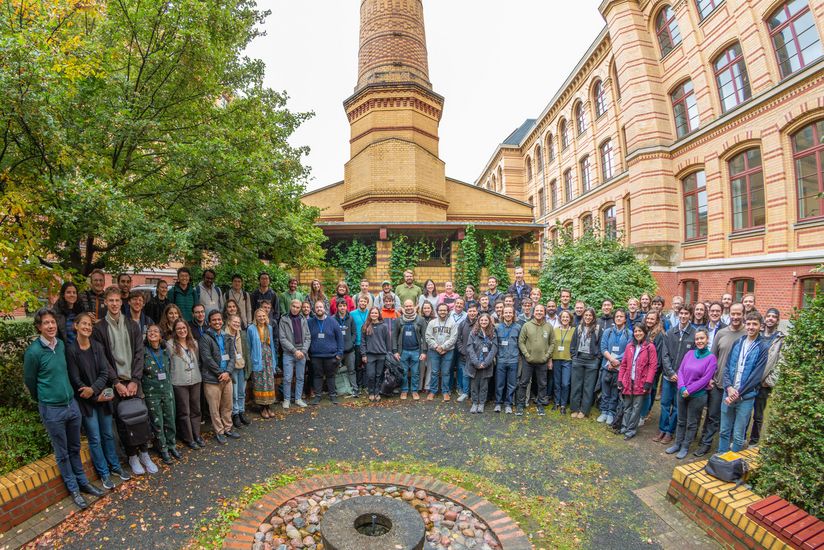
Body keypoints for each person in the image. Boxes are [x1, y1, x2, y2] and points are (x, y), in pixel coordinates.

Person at [25, 308, 104, 508]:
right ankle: (74, 490)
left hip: (72, 406)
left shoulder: (61, 345)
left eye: (52, 322)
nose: (50, 326)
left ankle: (83, 482)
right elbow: (31, 382)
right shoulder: (33, 352)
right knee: (62, 452)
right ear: (38, 327)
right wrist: (45, 398)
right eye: (46, 323)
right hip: (52, 410)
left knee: (75, 447)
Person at [92, 286, 157, 475]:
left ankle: (144, 453)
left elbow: (139, 353)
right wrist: (116, 382)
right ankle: (132, 456)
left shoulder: (132, 325)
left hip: (134, 380)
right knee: (123, 421)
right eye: (110, 300)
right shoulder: (99, 328)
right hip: (117, 382)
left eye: (117, 300)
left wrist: (135, 379)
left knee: (140, 418)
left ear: (122, 302)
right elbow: (102, 358)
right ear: (105, 302)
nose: (114, 304)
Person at [66, 312, 124, 490]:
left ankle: (115, 467)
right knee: (95, 438)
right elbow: (75, 378)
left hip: (103, 399)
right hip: (87, 403)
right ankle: (104, 473)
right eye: (83, 324)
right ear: (75, 326)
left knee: (108, 435)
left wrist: (95, 390)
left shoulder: (98, 346)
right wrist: (91, 394)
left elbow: (104, 372)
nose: (87, 327)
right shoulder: (71, 350)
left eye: (90, 325)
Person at [695, 303, 746, 456]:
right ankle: (706, 444)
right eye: (733, 313)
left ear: (743, 314)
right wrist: (710, 378)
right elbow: (712, 358)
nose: (735, 317)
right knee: (712, 415)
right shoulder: (721, 333)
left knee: (735, 417)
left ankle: (729, 447)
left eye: (739, 314)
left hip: (738, 386)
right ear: (728, 314)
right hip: (719, 383)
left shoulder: (747, 333)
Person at [718, 313, 768, 453]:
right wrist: (728, 387)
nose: (751, 327)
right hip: (728, 393)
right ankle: (721, 458)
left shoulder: (762, 348)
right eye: (749, 323)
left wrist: (737, 393)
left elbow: (756, 376)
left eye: (755, 324)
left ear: (760, 326)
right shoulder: (738, 342)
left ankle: (732, 465)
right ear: (745, 324)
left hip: (746, 398)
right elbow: (727, 367)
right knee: (724, 431)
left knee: (738, 435)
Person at [664, 327, 717, 459]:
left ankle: (685, 447)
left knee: (691, 423)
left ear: (707, 339)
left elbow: (706, 379)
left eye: (702, 338)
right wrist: (682, 388)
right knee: (681, 420)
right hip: (682, 392)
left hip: (698, 396)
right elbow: (680, 371)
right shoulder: (689, 354)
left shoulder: (711, 358)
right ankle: (677, 444)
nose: (699, 341)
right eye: (697, 338)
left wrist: (690, 390)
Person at [655, 305, 696, 445]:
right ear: (678, 315)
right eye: (681, 313)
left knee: (677, 407)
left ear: (690, 315)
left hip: (683, 380)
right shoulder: (670, 332)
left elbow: (693, 359)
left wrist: (681, 376)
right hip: (668, 376)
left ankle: (670, 432)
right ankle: (662, 429)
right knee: (665, 404)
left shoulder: (694, 334)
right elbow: (664, 355)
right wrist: (671, 372)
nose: (683, 316)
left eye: (686, 313)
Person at [200, 309, 240, 444]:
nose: (217, 322)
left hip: (227, 377)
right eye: (214, 320)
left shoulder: (226, 336)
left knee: (227, 405)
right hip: (212, 379)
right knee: (214, 408)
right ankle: (219, 431)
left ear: (222, 321)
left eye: (219, 319)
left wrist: (228, 372)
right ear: (209, 322)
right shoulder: (205, 338)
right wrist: (220, 373)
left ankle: (228, 428)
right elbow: (207, 359)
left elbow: (232, 357)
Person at [142, 325, 178, 465]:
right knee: (157, 422)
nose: (152, 333)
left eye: (155, 331)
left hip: (166, 389)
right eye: (150, 331)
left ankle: (171, 445)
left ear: (160, 335)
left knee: (170, 418)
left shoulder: (165, 351)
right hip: (152, 392)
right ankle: (162, 449)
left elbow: (169, 368)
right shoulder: (143, 351)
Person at [749, 308, 783, 446]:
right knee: (745, 411)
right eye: (768, 316)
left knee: (758, 414)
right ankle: (740, 438)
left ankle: (754, 440)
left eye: (773, 317)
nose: (770, 319)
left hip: (763, 383)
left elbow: (781, 363)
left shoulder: (780, 339)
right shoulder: (758, 335)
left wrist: (769, 381)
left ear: (777, 320)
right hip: (750, 381)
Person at [167, 319, 204, 450]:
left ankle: (197, 435)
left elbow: (198, 360)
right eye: (178, 329)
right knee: (184, 411)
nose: (182, 331)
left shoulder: (194, 343)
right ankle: (189, 438)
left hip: (195, 379)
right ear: (175, 331)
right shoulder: (170, 344)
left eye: (184, 328)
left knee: (196, 409)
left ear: (187, 329)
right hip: (179, 381)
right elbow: (169, 364)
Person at [618, 323, 658, 440]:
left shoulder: (650, 347)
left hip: (641, 382)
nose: (638, 333)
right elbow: (624, 364)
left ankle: (631, 429)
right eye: (635, 331)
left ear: (645, 332)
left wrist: (648, 382)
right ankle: (625, 426)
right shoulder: (629, 346)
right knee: (627, 406)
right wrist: (620, 379)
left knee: (636, 408)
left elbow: (653, 366)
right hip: (628, 380)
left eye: (640, 331)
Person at [516, 304, 554, 416]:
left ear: (544, 312)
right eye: (537, 310)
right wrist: (527, 355)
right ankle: (520, 405)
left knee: (542, 384)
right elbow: (521, 342)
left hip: (542, 361)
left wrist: (547, 356)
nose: (539, 312)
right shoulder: (527, 325)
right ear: (533, 312)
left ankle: (540, 405)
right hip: (528, 360)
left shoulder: (549, 326)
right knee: (523, 383)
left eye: (541, 311)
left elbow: (552, 343)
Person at [598, 309, 631, 425]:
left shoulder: (629, 334)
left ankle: (611, 413)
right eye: (617, 316)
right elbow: (603, 348)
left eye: (621, 316)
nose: (619, 318)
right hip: (607, 365)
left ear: (625, 319)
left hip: (620, 368)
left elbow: (628, 351)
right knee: (605, 390)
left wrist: (618, 361)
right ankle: (604, 411)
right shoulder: (608, 332)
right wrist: (611, 360)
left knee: (614, 392)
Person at [307, 300, 343, 405]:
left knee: (330, 376)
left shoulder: (333, 321)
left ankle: (333, 395)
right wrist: (308, 353)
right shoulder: (310, 322)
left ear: (324, 308)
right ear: (314, 309)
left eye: (321, 307)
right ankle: (318, 396)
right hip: (315, 355)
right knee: (317, 376)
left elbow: (340, 338)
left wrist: (339, 353)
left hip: (330, 355)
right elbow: (306, 338)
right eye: (317, 307)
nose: (319, 309)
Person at [569, 307, 602, 418]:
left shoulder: (597, 329)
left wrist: (597, 358)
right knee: (576, 385)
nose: (588, 317)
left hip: (591, 361)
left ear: (593, 317)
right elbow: (573, 344)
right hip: (578, 359)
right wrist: (573, 356)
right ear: (583, 316)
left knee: (588, 387)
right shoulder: (578, 328)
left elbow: (601, 345)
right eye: (586, 315)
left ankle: (584, 410)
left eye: (590, 315)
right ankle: (574, 408)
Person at [279, 299, 310, 408]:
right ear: (290, 306)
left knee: (300, 377)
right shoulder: (284, 319)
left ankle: (298, 399)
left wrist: (303, 351)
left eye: (298, 307)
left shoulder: (303, 320)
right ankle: (286, 399)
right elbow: (282, 338)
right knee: (287, 378)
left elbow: (308, 337)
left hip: (302, 353)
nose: (295, 309)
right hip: (289, 353)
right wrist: (294, 350)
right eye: (294, 306)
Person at [246, 309, 277, 418]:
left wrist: (274, 361)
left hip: (268, 358)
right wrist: (249, 362)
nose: (262, 318)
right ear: (255, 317)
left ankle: (268, 406)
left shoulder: (269, 328)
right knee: (260, 383)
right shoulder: (250, 329)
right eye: (259, 316)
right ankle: (262, 408)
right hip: (257, 359)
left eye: (263, 316)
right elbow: (248, 346)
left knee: (269, 383)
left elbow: (272, 344)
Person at [394, 299, 428, 400]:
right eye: (406, 306)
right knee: (404, 372)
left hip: (416, 351)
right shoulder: (399, 320)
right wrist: (395, 351)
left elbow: (425, 336)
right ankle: (404, 390)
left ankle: (414, 391)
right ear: (404, 308)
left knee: (415, 372)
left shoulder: (420, 320)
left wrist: (424, 352)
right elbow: (394, 337)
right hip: (403, 351)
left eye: (410, 306)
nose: (408, 308)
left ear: (414, 307)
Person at [425, 303, 458, 401]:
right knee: (434, 371)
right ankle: (433, 391)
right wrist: (436, 347)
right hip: (434, 351)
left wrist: (443, 347)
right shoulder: (432, 322)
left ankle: (445, 391)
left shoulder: (452, 323)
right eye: (440, 310)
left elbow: (454, 338)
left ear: (448, 311)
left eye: (444, 310)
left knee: (446, 372)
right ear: (437, 311)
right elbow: (428, 336)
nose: (442, 312)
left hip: (448, 351)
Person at [467, 313, 498, 413]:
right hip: (474, 364)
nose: (484, 322)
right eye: (482, 320)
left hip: (487, 364)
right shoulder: (473, 333)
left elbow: (494, 349)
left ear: (489, 322)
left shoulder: (492, 333)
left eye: (486, 320)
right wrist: (476, 362)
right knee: (474, 385)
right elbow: (469, 348)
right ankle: (475, 403)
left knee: (484, 385)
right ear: (478, 321)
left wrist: (486, 363)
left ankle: (481, 403)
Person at [639, 311, 667, 423]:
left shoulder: (660, 335)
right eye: (648, 318)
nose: (649, 321)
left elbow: (659, 355)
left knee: (650, 390)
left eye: (652, 319)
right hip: (642, 368)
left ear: (657, 320)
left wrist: (654, 371)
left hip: (653, 369)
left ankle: (646, 413)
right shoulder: (645, 331)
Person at [225, 314, 252, 426]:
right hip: (232, 368)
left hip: (242, 366)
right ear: (229, 322)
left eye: (238, 322)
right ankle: (235, 413)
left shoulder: (242, 334)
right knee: (234, 393)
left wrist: (248, 367)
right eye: (234, 322)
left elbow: (247, 351)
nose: (236, 324)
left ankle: (241, 411)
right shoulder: (225, 336)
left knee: (241, 392)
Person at [360, 307, 390, 402]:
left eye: (376, 313)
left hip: (381, 354)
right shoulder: (365, 326)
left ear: (378, 314)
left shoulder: (384, 326)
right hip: (370, 355)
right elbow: (363, 342)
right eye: (372, 313)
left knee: (379, 375)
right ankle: (371, 392)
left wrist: (388, 354)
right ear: (370, 314)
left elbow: (387, 341)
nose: (374, 314)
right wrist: (363, 354)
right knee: (370, 375)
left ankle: (377, 392)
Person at [494, 305, 521, 414]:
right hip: (501, 359)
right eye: (506, 313)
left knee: (511, 384)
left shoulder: (518, 327)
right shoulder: (497, 327)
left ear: (513, 314)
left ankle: (508, 404)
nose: (508, 315)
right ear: (502, 314)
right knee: (500, 383)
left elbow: (520, 343)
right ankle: (498, 403)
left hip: (513, 360)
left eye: (510, 313)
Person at [333, 299, 357, 397]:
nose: (342, 308)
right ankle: (335, 391)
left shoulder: (351, 318)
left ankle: (355, 389)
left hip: (349, 350)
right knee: (334, 371)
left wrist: (351, 343)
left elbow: (354, 333)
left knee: (351, 370)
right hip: (337, 351)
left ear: (346, 307)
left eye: (344, 306)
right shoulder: (333, 319)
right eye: (340, 306)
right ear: (337, 307)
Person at [455, 303, 479, 401]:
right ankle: (465, 393)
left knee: (476, 375)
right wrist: (461, 349)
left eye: (474, 311)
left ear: (477, 312)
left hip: (477, 355)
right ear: (467, 312)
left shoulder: (481, 323)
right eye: (470, 311)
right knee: (465, 374)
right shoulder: (462, 324)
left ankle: (474, 393)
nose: (472, 313)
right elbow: (458, 339)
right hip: (464, 354)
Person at [552, 310, 574, 414]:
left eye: (567, 317)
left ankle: (563, 404)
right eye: (563, 317)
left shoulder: (574, 330)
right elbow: (551, 344)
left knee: (565, 383)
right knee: (557, 383)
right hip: (556, 359)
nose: (565, 319)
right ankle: (556, 402)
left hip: (568, 360)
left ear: (570, 319)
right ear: (560, 319)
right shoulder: (555, 330)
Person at [351, 296, 370, 395]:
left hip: (368, 343)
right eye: (361, 301)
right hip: (357, 343)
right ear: (358, 302)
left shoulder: (370, 313)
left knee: (367, 366)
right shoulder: (352, 314)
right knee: (358, 366)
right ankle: (358, 386)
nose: (362, 303)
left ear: (367, 302)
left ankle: (366, 386)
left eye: (364, 301)